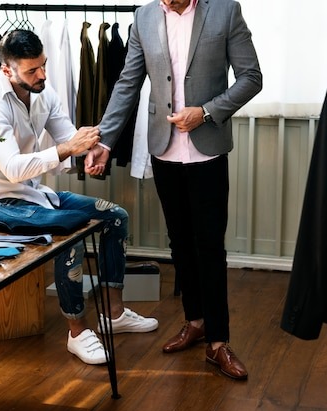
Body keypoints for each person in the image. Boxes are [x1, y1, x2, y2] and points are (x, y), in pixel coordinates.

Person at [85, 0, 262, 380]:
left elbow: (251, 77)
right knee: (179, 242)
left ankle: (218, 342)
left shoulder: (226, 11)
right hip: (163, 149)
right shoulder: (144, 16)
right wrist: (106, 140)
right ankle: (195, 322)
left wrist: (207, 111)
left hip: (208, 149)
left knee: (209, 246)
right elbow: (127, 84)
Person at [0, 29, 158, 365]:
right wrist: (69, 147)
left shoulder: (42, 91)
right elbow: (13, 168)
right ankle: (77, 332)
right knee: (71, 232)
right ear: (7, 70)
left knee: (116, 217)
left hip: (36, 195)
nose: (42, 74)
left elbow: (68, 137)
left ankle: (113, 314)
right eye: (32, 70)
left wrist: (90, 151)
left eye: (43, 65)